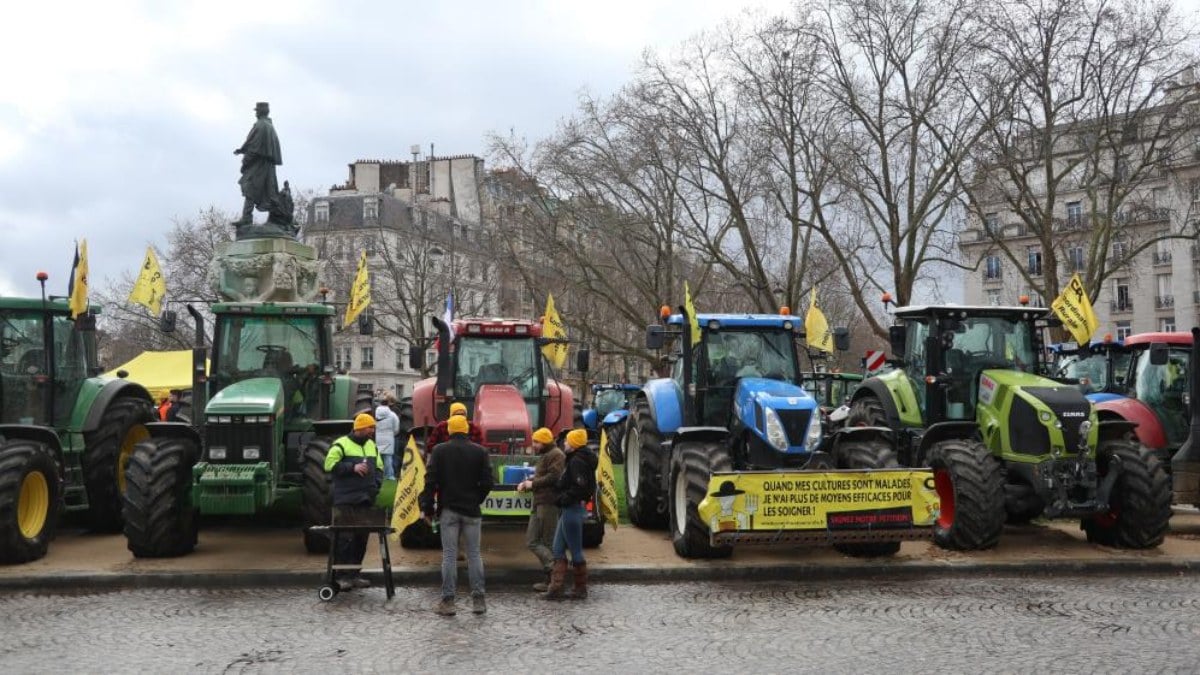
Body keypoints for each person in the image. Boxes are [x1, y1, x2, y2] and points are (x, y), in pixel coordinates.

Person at [420, 415, 493, 616]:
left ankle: (448, 600)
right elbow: (488, 482)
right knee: (474, 555)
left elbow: (430, 482)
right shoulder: (480, 451)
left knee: (450, 555)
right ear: (467, 431)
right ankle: (479, 600)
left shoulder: (439, 451)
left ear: (450, 431)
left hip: (449, 509)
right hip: (472, 510)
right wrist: (476, 499)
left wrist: (427, 508)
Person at [323, 413, 384, 592]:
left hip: (366, 500)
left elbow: (379, 467)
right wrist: (352, 467)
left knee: (361, 539)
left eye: (373, 428)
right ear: (360, 428)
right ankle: (341, 577)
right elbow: (329, 464)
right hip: (346, 501)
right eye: (370, 428)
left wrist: (376, 485)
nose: (372, 431)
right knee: (345, 539)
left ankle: (355, 574)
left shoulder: (371, 445)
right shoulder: (341, 444)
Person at [542, 428, 598, 601]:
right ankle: (555, 588)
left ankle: (580, 588)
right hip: (568, 508)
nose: (564, 443)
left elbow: (579, 487)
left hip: (571, 508)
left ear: (573, 445)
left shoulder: (577, 462)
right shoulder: (576, 459)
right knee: (558, 548)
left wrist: (563, 498)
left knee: (575, 550)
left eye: (567, 441)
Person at [517, 427, 565, 592]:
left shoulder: (557, 454)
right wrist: (528, 482)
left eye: (536, 442)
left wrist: (532, 484)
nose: (534, 445)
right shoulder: (547, 455)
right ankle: (554, 570)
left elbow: (554, 477)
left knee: (548, 542)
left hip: (549, 503)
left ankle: (554, 575)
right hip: (539, 502)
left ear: (544, 441)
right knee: (532, 541)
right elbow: (542, 475)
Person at [232, 102, 283, 227]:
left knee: (250, 188)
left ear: (260, 112)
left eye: (257, 111)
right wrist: (242, 150)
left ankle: (247, 218)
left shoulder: (261, 125)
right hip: (267, 166)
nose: (255, 113)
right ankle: (277, 218)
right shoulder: (269, 126)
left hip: (259, 165)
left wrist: (245, 162)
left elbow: (254, 147)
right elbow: (253, 144)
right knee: (269, 191)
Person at [375, 393, 401, 480]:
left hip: (378, 437)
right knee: (388, 457)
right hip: (389, 438)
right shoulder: (392, 415)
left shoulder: (376, 413)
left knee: (378, 457)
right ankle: (389, 475)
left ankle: (378, 474)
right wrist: (392, 434)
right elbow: (396, 428)